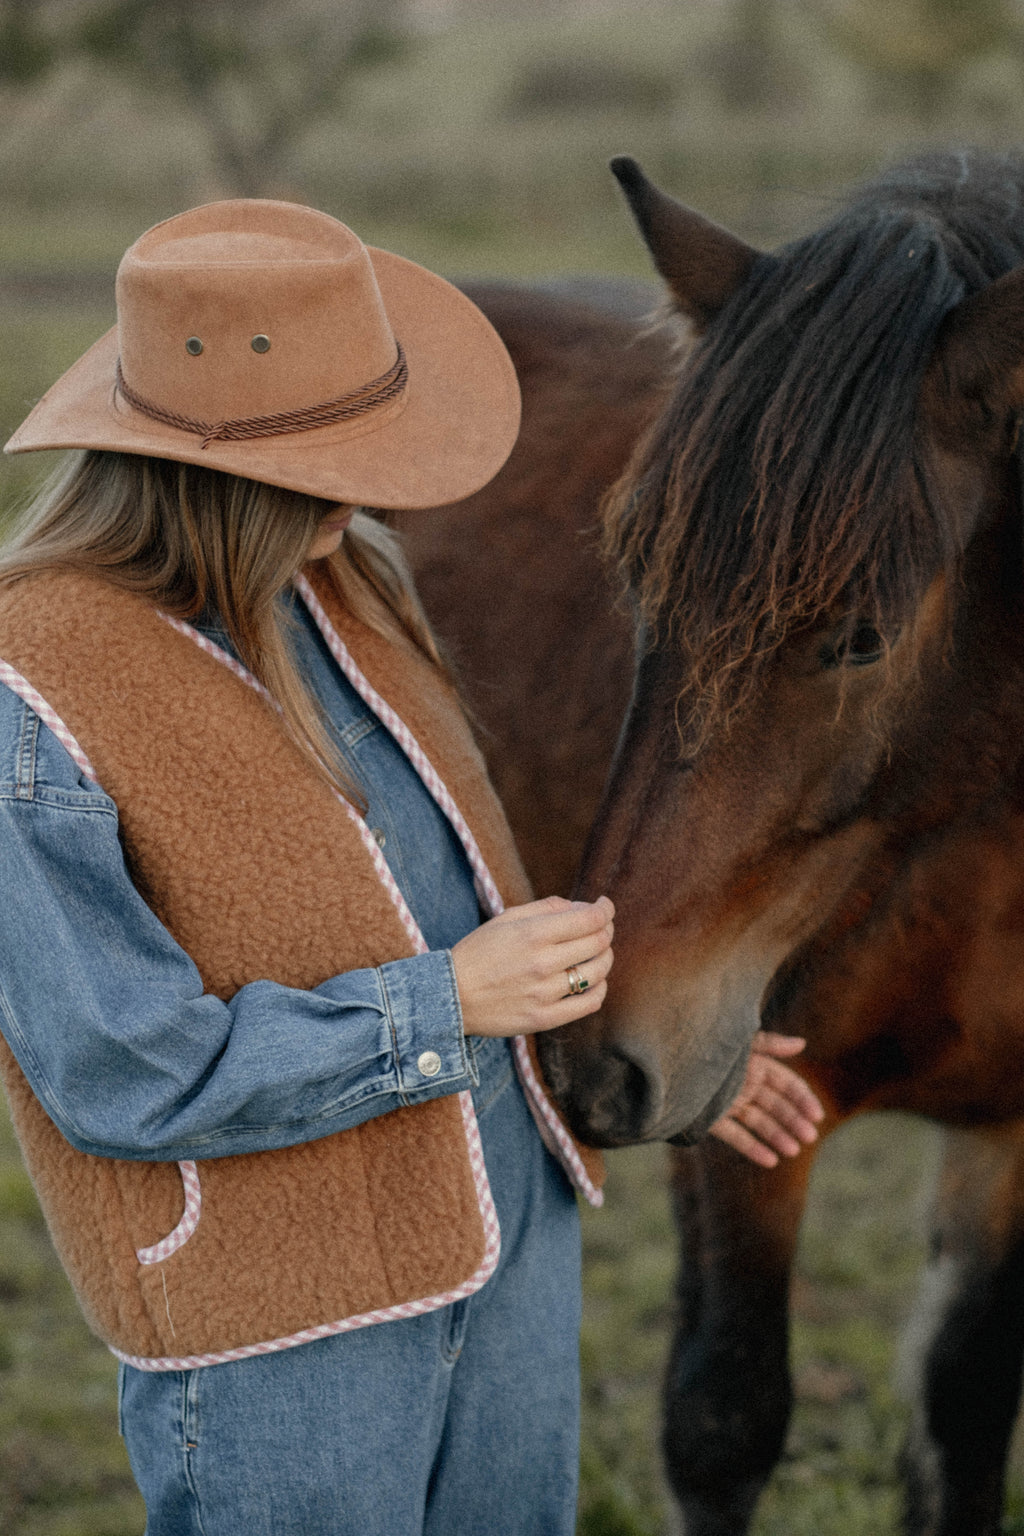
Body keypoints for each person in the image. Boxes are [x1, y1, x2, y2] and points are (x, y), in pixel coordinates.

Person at [0, 199, 822, 1535]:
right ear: (190, 462)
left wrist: (625, 1034)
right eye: (340, 453)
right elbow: (124, 1073)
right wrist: (447, 1006)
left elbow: (451, 903)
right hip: (281, 1337)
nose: (378, 487)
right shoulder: (34, 688)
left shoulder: (347, 585)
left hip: (505, 1266)